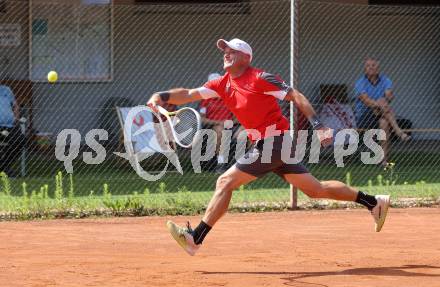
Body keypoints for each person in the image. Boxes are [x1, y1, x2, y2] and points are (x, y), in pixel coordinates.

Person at [147, 39, 390, 256]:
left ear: (245, 57)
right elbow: (189, 94)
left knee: (225, 182)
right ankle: (373, 202)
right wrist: (161, 96)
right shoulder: (222, 83)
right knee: (316, 190)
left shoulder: (260, 78)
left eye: (231, 50)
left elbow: (296, 96)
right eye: (224, 50)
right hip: (268, 144)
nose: (225, 53)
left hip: (275, 142)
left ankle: (195, 238)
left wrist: (318, 125)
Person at [354, 58, 409, 165]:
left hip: (382, 114)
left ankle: (383, 160)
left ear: (378, 68)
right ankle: (398, 131)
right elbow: (367, 101)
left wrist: (387, 98)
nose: (371, 68)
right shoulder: (360, 82)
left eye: (373, 65)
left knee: (384, 123)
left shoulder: (385, 80)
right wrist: (381, 103)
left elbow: (389, 95)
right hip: (365, 116)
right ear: (365, 69)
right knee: (381, 102)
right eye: (368, 66)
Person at [199, 72, 236, 173]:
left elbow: (237, 116)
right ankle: (221, 163)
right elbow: (202, 119)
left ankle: (245, 164)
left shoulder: (229, 98)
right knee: (220, 131)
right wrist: (219, 122)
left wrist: (230, 122)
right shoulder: (205, 100)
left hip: (231, 126)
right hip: (212, 127)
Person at [0, 84, 24, 176]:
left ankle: (3, 166)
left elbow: (15, 106)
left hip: (10, 126)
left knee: (21, 140)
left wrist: (16, 119)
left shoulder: (6, 90)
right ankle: (4, 168)